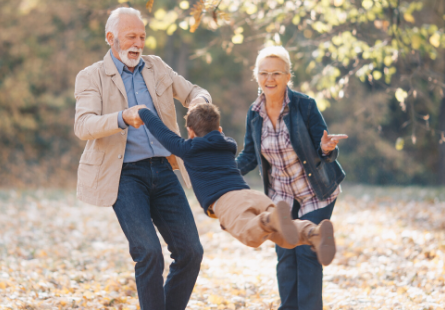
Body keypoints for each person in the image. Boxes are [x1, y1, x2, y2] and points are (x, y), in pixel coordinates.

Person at [73, 7, 211, 310]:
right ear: (111, 38)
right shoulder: (91, 76)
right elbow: (84, 125)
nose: (137, 43)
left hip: (164, 170)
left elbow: (195, 90)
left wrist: (199, 106)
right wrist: (122, 117)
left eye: (141, 37)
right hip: (124, 175)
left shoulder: (157, 66)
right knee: (148, 252)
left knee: (191, 251)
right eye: (130, 36)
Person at [136, 104, 336, 264]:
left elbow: (163, 133)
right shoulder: (228, 145)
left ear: (190, 132)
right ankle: (314, 233)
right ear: (220, 130)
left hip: (226, 201)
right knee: (284, 234)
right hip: (251, 194)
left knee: (250, 234)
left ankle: (270, 219)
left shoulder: (189, 148)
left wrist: (143, 111)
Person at [235, 46, 347, 310]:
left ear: (287, 76)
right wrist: (224, 172)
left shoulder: (304, 105)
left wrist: (325, 148)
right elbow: (250, 155)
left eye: (276, 73)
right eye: (263, 73)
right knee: (285, 252)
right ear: (256, 77)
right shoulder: (254, 113)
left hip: (315, 192)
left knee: (306, 249)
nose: (269, 79)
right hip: (281, 196)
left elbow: (325, 148)